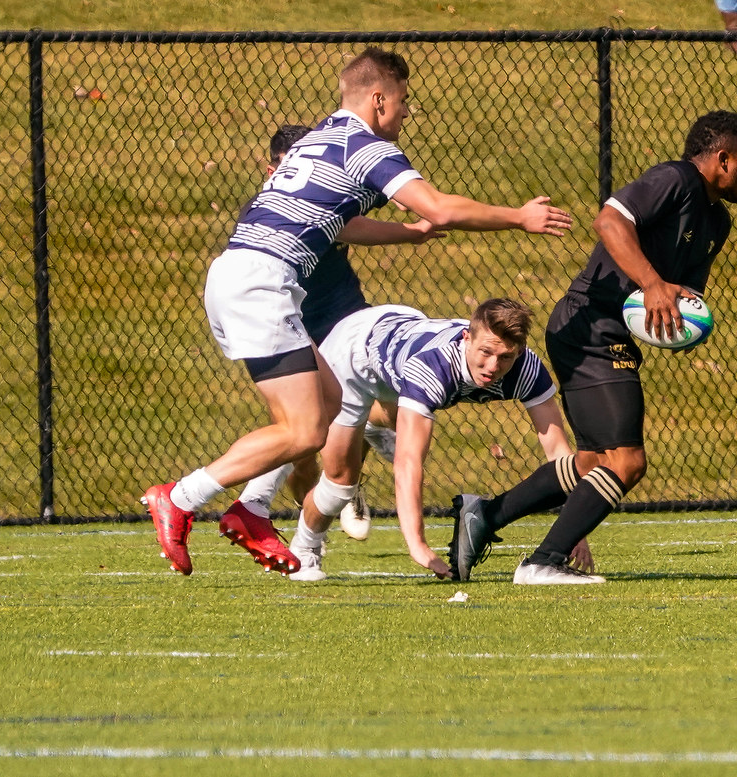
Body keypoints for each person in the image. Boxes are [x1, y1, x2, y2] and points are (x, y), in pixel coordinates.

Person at [142, 47, 572, 576]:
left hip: (242, 273)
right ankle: (181, 497)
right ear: (378, 99)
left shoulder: (318, 139)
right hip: (262, 283)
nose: (406, 113)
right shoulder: (365, 146)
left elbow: (336, 225)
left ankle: (251, 509)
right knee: (302, 432)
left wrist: (407, 236)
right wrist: (518, 217)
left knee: (329, 405)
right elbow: (437, 205)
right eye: (404, 102)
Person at [449, 110, 737, 585]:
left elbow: (681, 294)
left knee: (595, 462)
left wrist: (678, 323)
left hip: (606, 335)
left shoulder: (717, 221)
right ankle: (543, 562)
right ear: (722, 159)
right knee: (627, 460)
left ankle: (484, 516)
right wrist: (652, 284)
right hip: (587, 326)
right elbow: (609, 220)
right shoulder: (673, 179)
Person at [286, 298, 593, 582]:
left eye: (505, 357)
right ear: (466, 338)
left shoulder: (525, 368)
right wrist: (417, 543)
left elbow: (559, 455)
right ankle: (304, 547)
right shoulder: (432, 368)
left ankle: (374, 427)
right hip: (355, 354)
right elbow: (408, 461)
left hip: (400, 346)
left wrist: (574, 531)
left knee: (400, 419)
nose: (493, 367)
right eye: (485, 353)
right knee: (340, 482)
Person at [227, 124, 400, 546]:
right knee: (300, 442)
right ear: (271, 171)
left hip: (340, 314)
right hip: (287, 319)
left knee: (387, 404)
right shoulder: (266, 213)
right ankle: (320, 515)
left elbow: (352, 223)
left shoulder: (329, 196)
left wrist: (416, 230)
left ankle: (348, 464)